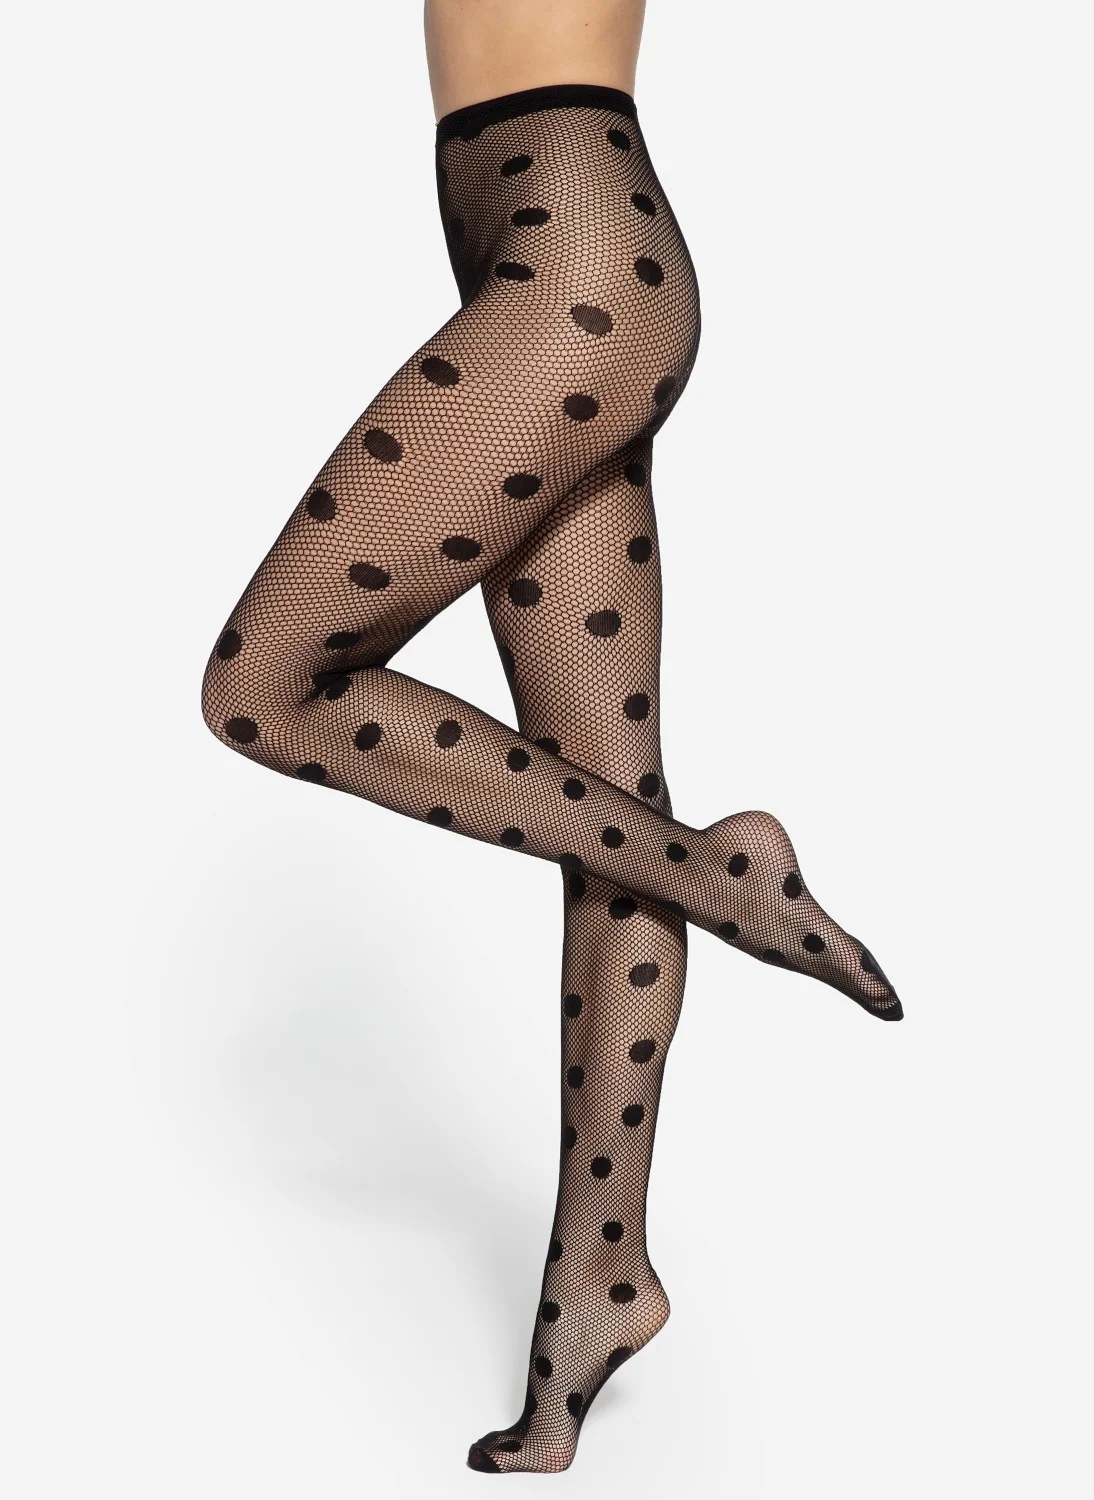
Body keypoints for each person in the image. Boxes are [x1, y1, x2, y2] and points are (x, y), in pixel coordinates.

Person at [200, 0, 902, 1474]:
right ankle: (602, 1276)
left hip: (580, 267)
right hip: (541, 249)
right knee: (606, 800)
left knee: (265, 685)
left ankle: (716, 873)